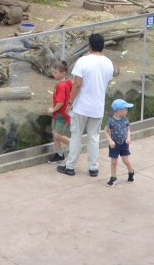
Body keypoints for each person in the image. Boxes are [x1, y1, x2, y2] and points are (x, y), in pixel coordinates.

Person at [57, 33, 115, 177]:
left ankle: (70, 166)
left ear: (89, 46)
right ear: (103, 45)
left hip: (81, 107)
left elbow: (77, 84)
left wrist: (70, 102)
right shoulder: (109, 63)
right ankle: (93, 168)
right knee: (94, 138)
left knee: (76, 137)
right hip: (97, 107)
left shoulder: (83, 61)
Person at [104, 98, 135, 185]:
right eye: (126, 109)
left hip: (124, 144)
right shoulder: (111, 121)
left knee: (125, 160)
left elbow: (128, 129)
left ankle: (131, 172)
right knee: (114, 162)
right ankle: (113, 178)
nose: (127, 111)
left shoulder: (125, 119)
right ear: (119, 111)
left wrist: (128, 138)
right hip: (114, 145)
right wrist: (110, 141)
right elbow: (105, 131)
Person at [48, 60, 72, 162]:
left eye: (56, 72)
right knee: (54, 133)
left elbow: (61, 102)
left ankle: (74, 145)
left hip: (61, 114)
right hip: (58, 114)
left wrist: (53, 109)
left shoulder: (61, 85)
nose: (53, 74)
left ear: (63, 73)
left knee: (57, 134)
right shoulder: (68, 82)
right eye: (53, 72)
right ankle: (59, 154)